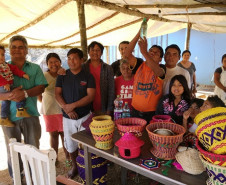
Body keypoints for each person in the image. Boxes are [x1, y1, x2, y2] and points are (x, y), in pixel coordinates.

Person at [0, 35, 48, 178]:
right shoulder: (2, 67)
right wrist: (10, 96)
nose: (17, 50)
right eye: (13, 47)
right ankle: (17, 179)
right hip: (8, 118)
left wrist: (25, 93)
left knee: (33, 148)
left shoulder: (34, 68)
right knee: (12, 151)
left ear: (26, 50)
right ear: (9, 50)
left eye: (21, 47)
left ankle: (34, 178)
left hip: (31, 115)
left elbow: (41, 88)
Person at [55, 48, 96, 179]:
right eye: (69, 58)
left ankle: (87, 165)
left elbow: (90, 96)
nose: (71, 61)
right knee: (70, 144)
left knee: (87, 144)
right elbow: (57, 94)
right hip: (68, 118)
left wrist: (72, 106)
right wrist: (67, 109)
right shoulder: (62, 75)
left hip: (85, 116)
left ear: (81, 60)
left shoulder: (88, 76)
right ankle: (75, 166)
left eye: (74, 58)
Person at [126, 29, 166, 123]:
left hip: (151, 114)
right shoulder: (139, 63)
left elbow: (159, 73)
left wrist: (145, 52)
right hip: (135, 111)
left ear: (160, 59)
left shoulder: (162, 67)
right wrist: (139, 33)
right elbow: (127, 54)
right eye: (151, 50)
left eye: (156, 53)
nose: (152, 52)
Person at [38, 53, 69, 165]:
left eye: (56, 61)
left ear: (60, 62)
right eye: (50, 62)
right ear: (47, 64)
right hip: (49, 110)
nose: (54, 64)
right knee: (53, 135)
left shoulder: (64, 74)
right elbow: (39, 93)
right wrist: (45, 102)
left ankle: (68, 158)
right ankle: (54, 159)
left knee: (64, 134)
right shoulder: (44, 75)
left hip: (62, 109)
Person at [0, 45, 30, 127]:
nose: (1, 57)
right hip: (3, 86)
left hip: (7, 86)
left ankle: (5, 118)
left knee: (7, 101)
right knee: (17, 95)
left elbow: (14, 69)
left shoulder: (6, 65)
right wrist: (4, 83)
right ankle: (19, 111)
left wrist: (23, 74)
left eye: (2, 55)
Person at [83, 41, 114, 116]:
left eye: (98, 50)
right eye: (92, 50)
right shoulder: (83, 67)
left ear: (101, 53)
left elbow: (111, 89)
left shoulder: (107, 68)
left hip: (103, 108)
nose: (95, 52)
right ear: (88, 52)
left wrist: (109, 109)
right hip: (86, 109)